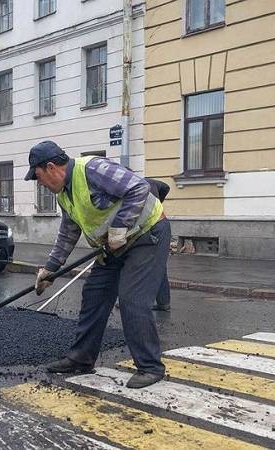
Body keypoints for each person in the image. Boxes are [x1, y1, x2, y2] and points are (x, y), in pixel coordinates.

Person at [27, 141, 170, 389]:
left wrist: (119, 228)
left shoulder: (93, 169)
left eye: (38, 177)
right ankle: (82, 357)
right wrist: (51, 269)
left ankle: (150, 366)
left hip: (147, 234)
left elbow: (138, 188)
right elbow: (68, 232)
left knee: (132, 298)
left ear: (50, 167)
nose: (39, 183)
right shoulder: (65, 194)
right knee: (94, 293)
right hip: (113, 244)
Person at [146, 178, 172, 311]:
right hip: (159, 224)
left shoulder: (134, 186)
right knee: (159, 264)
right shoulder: (150, 182)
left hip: (155, 225)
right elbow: (166, 187)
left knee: (152, 265)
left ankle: (142, 303)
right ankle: (163, 302)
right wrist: (159, 202)